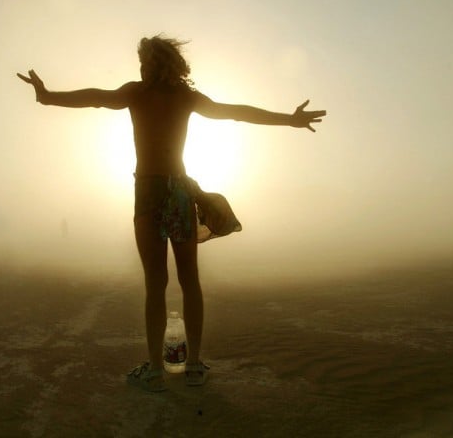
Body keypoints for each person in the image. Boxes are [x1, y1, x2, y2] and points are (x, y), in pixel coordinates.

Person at [17, 36, 326, 392]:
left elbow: (98, 99)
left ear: (156, 63)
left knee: (161, 283)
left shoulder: (139, 93)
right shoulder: (181, 97)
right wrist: (289, 120)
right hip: (172, 192)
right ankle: (189, 365)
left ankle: (160, 367)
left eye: (145, 61)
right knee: (183, 280)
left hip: (152, 192)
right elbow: (232, 112)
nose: (142, 67)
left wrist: (48, 96)